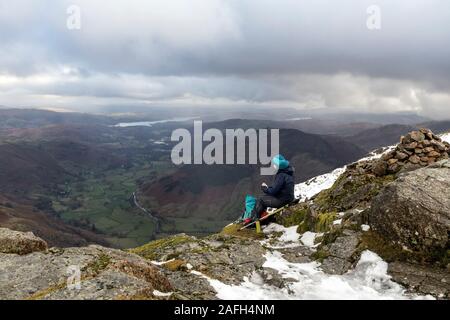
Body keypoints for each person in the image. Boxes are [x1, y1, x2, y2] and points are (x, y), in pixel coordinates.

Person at [248, 154, 295, 222]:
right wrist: (269, 189)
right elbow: (280, 188)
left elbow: (273, 191)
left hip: (282, 201)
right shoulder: (289, 173)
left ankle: (254, 219)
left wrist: (265, 188)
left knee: (261, 199)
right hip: (289, 198)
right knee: (264, 197)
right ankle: (262, 216)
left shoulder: (281, 175)